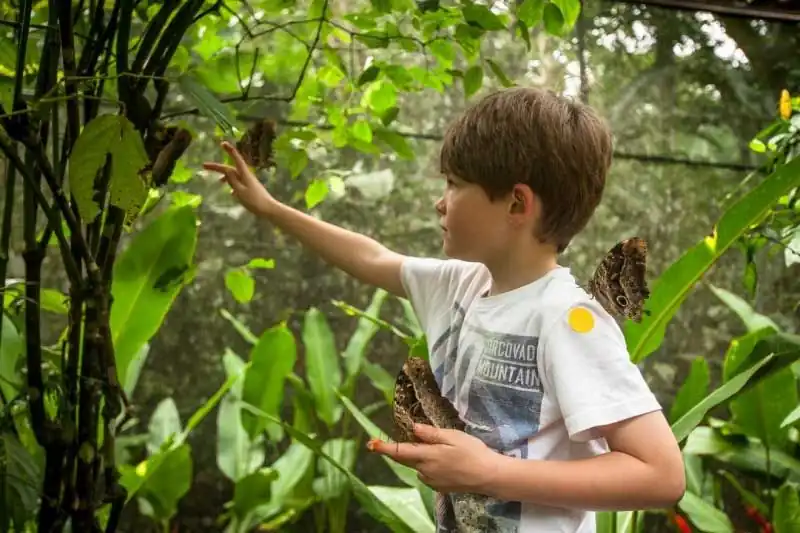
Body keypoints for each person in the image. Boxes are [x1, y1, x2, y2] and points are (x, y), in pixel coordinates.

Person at [203, 87, 685, 533]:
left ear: (517, 203)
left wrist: (492, 472)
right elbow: (372, 258)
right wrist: (271, 209)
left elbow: (661, 475)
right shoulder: (461, 284)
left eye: (454, 184)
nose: (440, 201)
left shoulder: (568, 319)